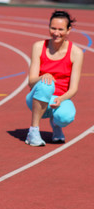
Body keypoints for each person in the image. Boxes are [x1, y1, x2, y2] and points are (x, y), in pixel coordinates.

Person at [25, 10, 83, 146]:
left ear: (68, 30)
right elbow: (31, 82)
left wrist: (61, 99)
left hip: (60, 98)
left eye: (61, 29)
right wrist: (42, 77)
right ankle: (33, 132)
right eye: (53, 28)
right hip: (37, 97)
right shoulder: (39, 47)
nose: (56, 33)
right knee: (47, 84)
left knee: (66, 117)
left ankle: (56, 125)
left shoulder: (76, 53)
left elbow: (74, 88)